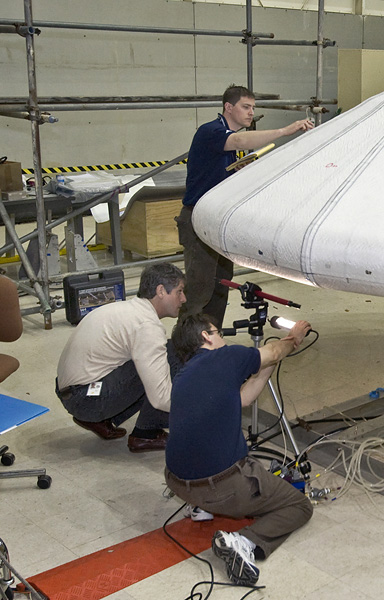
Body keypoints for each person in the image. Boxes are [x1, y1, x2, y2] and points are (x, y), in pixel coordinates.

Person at [165, 313, 313, 586]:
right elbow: (273, 350)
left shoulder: (186, 374)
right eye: (218, 333)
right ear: (206, 336)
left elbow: (243, 398)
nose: (222, 338)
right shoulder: (225, 357)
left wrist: (268, 364)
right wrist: (294, 338)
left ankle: (201, 506)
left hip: (179, 483)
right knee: (298, 505)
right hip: (222, 487)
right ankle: (243, 542)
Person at [176, 85, 314, 327]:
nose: (251, 112)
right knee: (199, 289)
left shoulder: (225, 142)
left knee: (220, 285)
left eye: (253, 108)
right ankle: (186, 343)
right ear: (228, 107)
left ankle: (211, 337)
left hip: (216, 220)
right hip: (198, 219)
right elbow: (239, 141)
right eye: (246, 107)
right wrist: (285, 130)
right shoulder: (211, 131)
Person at [55, 263, 186, 453]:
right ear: (160, 291)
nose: (183, 299)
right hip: (86, 399)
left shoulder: (125, 309)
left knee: (148, 359)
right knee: (173, 352)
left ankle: (102, 419)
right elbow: (160, 397)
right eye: (179, 291)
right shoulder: (146, 326)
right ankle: (146, 434)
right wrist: (196, 410)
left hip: (74, 393)